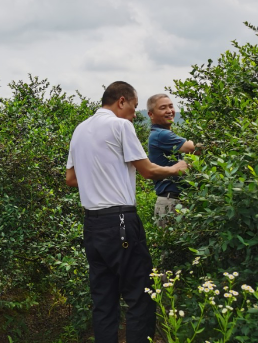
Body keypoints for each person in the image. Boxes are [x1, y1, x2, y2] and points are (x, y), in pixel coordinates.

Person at [66, 81, 188, 343]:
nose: (134, 116)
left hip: (92, 225)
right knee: (141, 296)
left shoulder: (80, 129)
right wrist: (176, 168)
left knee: (103, 299)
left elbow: (71, 178)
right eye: (133, 108)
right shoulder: (121, 125)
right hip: (120, 220)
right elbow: (147, 170)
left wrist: (101, 175)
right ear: (121, 101)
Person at [146, 93, 196, 225]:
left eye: (171, 106)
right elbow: (191, 147)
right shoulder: (161, 134)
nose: (169, 111)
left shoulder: (161, 134)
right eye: (163, 108)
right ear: (151, 114)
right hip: (171, 202)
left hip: (176, 200)